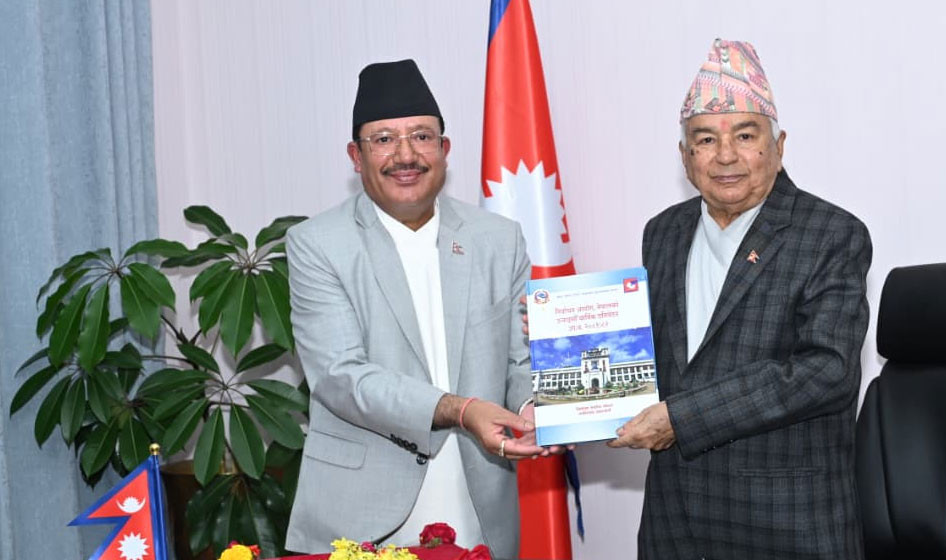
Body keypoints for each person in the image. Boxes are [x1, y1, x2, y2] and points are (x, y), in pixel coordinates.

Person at [609, 39, 872, 559]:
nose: (725, 155)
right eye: (705, 139)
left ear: (779, 146)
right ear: (684, 156)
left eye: (745, 136)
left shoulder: (831, 233)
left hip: (784, 526)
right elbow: (653, 357)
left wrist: (682, 418)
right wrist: (567, 357)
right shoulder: (662, 232)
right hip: (675, 522)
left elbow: (827, 371)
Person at [284, 59, 551, 557]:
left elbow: (521, 358)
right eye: (384, 139)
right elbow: (341, 377)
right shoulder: (317, 244)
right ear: (356, 155)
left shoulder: (498, 238)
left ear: (445, 150)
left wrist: (534, 408)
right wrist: (461, 410)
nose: (405, 155)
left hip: (479, 505)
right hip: (360, 518)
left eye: (422, 137)